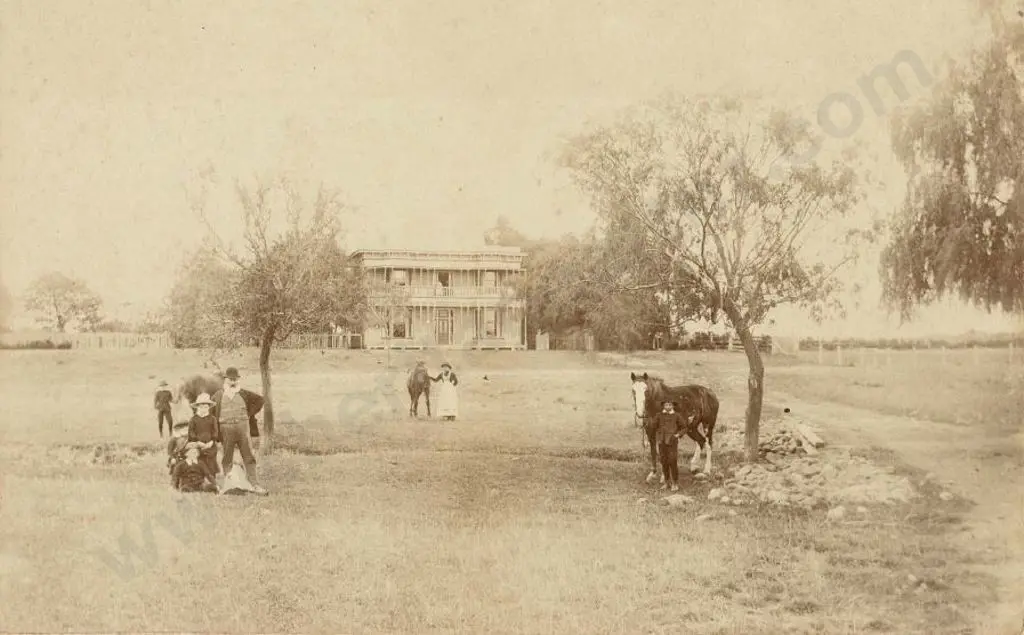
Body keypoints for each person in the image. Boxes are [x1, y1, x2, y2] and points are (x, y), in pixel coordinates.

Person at [212, 367, 267, 496]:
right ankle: (229, 485)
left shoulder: (244, 393)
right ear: (225, 379)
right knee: (227, 457)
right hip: (225, 429)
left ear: (238, 380)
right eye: (230, 379)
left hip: (243, 428)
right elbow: (211, 411)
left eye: (235, 379)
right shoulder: (218, 395)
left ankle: (254, 484)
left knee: (248, 456)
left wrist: (249, 413)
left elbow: (260, 400)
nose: (232, 382)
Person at [654, 400, 686, 492]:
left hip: (672, 442)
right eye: (666, 405)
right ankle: (666, 482)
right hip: (661, 442)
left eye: (670, 405)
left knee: (672, 461)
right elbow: (653, 426)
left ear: (673, 406)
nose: (668, 406)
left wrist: (678, 435)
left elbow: (684, 427)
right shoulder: (659, 415)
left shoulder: (677, 416)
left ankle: (675, 483)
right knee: (663, 461)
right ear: (663, 406)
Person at [187, 392, 219, 480]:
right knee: (200, 462)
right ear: (197, 407)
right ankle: (200, 480)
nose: (203, 409)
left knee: (211, 463)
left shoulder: (212, 419)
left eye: (205, 407)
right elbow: (191, 432)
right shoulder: (193, 419)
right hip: (198, 445)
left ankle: (212, 481)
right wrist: (197, 442)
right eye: (201, 407)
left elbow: (215, 432)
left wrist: (211, 442)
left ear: (209, 407)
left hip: (210, 445)